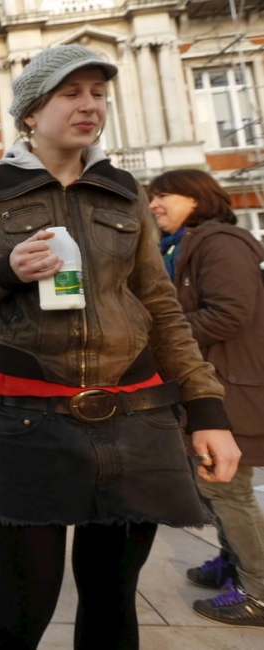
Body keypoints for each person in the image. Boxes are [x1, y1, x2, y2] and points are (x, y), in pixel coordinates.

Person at [0, 44, 241, 650]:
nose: (89, 105)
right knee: (24, 602)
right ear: (31, 113)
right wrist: (5, 270)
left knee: (112, 598)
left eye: (98, 93)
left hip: (137, 417)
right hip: (31, 418)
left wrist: (207, 409)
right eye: (71, 93)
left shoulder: (124, 191)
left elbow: (160, 306)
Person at [149, 168, 264, 626]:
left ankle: (258, 588)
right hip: (214, 382)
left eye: (163, 195)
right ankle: (234, 563)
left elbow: (230, 313)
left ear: (195, 199)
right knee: (212, 486)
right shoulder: (180, 244)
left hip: (233, 385)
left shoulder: (221, 243)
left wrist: (161, 332)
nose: (154, 204)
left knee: (227, 489)